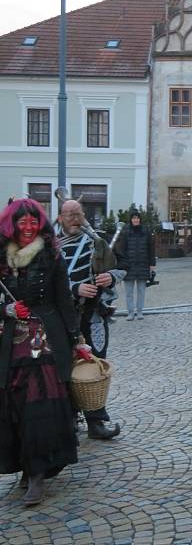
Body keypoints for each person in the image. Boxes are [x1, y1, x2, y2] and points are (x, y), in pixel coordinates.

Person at [0, 199, 89, 506]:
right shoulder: (1, 256)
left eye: (32, 223)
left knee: (40, 409)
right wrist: (7, 308)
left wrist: (78, 340)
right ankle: (25, 468)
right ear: (12, 225)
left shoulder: (51, 254)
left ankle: (38, 474)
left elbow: (64, 300)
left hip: (46, 343)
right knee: (15, 408)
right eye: (21, 223)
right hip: (9, 344)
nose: (27, 228)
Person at [57, 199, 123, 440]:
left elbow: (120, 265)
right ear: (60, 217)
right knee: (64, 368)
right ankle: (69, 420)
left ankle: (96, 421)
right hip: (62, 317)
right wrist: (75, 288)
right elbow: (46, 281)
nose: (74, 218)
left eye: (78, 213)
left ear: (84, 215)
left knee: (94, 365)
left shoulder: (97, 240)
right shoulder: (49, 245)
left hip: (93, 315)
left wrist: (111, 277)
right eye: (69, 214)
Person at [114, 210, 156, 320]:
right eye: (134, 218)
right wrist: (120, 264)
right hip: (129, 265)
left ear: (140, 219)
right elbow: (120, 249)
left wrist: (152, 264)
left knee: (141, 291)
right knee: (129, 292)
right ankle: (130, 312)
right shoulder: (125, 231)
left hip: (143, 264)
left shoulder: (146, 230)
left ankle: (140, 311)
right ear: (131, 219)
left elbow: (151, 248)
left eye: (137, 218)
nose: (136, 220)